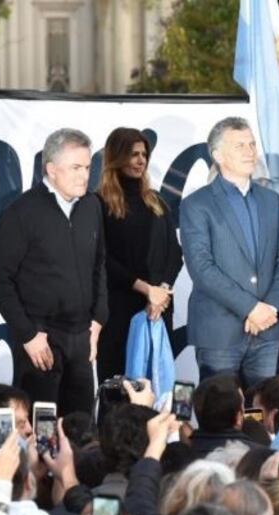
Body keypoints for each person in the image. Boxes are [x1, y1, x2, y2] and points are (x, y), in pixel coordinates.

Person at [0, 128, 108, 415]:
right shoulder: (22, 212)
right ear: (51, 169)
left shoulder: (92, 206)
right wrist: (28, 335)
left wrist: (98, 320)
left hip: (82, 337)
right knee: (42, 429)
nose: (84, 175)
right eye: (76, 167)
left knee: (80, 427)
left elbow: (99, 264)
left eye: (87, 167)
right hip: (41, 339)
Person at [179, 117, 279, 386]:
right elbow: (202, 268)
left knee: (260, 415)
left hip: (267, 330)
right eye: (240, 145)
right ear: (218, 155)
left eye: (252, 144)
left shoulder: (271, 201)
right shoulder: (197, 205)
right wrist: (250, 308)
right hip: (219, 333)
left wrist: (269, 310)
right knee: (222, 415)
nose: (250, 151)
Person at [96, 127, 183, 384]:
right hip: (119, 311)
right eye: (133, 154)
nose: (140, 160)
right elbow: (103, 259)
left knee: (156, 386)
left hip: (157, 309)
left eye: (144, 154)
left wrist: (162, 291)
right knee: (119, 386)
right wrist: (147, 290)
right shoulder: (99, 203)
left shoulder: (156, 201)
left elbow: (174, 254)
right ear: (117, 157)